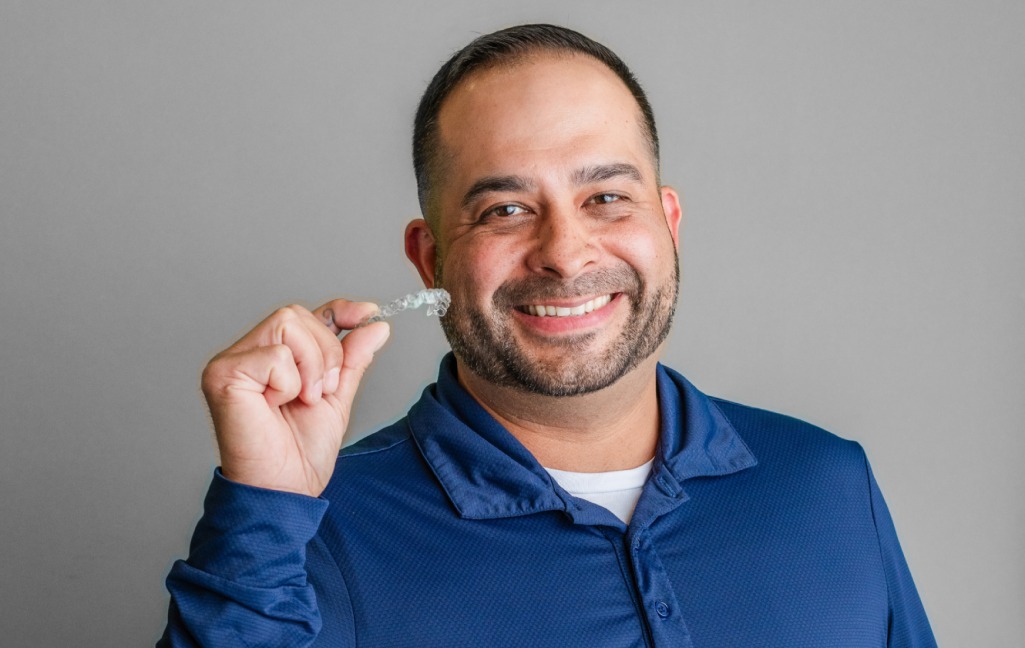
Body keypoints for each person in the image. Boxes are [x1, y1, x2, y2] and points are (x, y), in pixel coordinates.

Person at [159, 24, 936, 647]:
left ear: (667, 224)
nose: (565, 253)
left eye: (605, 196)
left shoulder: (828, 483)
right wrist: (264, 508)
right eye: (504, 210)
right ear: (430, 258)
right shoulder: (309, 532)